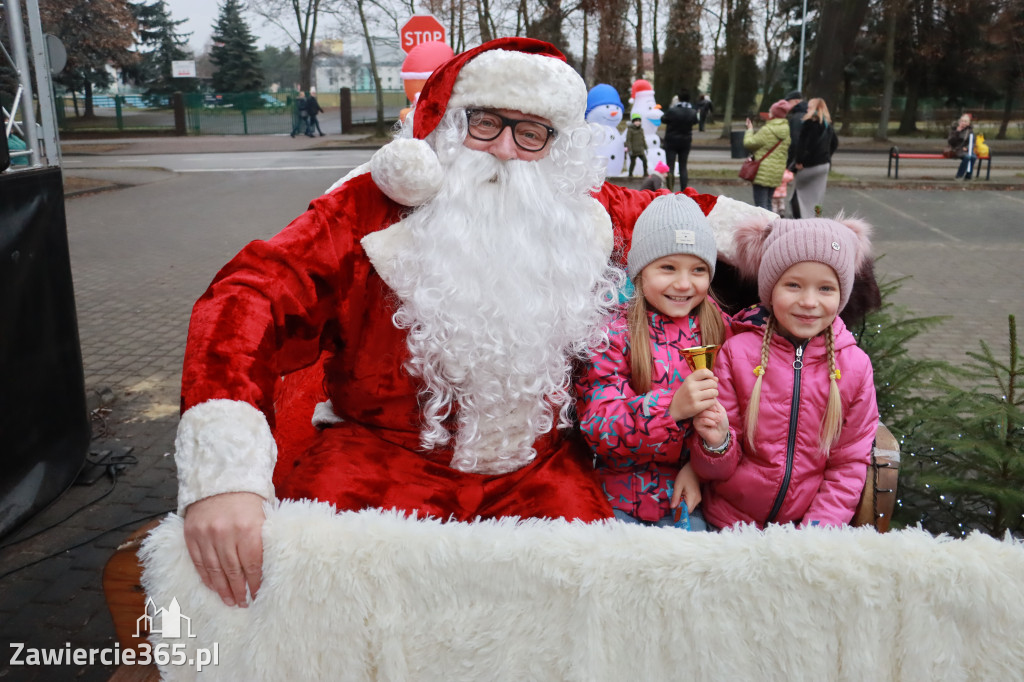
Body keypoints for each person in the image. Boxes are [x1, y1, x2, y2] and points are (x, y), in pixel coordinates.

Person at [175, 37, 756, 609]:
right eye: (485, 123)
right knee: (308, 587)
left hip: (538, 464)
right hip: (381, 455)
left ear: (555, 147)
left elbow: (686, 217)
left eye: (530, 133)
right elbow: (247, 295)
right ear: (450, 127)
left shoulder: (578, 214)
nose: (505, 149)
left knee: (594, 594)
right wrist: (222, 476)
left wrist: (799, 253)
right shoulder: (371, 210)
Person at [688, 216, 879, 530]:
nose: (808, 302)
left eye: (826, 288)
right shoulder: (737, 354)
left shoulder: (855, 368)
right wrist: (716, 443)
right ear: (770, 288)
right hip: (728, 524)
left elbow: (848, 464)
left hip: (806, 533)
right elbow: (715, 469)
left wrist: (815, 534)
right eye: (793, 285)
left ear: (841, 294)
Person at [577, 194, 731, 531]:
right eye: (668, 267)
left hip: (693, 503)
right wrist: (671, 409)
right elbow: (598, 427)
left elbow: (736, 420)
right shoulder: (613, 333)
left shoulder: (720, 330)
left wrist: (701, 464)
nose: (683, 283)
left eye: (698, 269)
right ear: (640, 271)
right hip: (618, 502)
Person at [790, 98, 838, 219]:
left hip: (808, 166)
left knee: (799, 195)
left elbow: (802, 145)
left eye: (809, 106)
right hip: (823, 166)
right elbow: (835, 143)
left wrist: (800, 161)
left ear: (814, 108)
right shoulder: (828, 124)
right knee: (817, 197)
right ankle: (817, 217)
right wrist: (826, 156)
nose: (807, 108)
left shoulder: (809, 123)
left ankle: (802, 220)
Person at [744, 99, 792, 211]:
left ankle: (765, 227)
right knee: (769, 203)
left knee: (761, 206)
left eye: (770, 111)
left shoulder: (768, 130)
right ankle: (773, 226)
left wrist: (749, 130)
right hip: (776, 172)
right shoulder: (786, 130)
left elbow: (749, 143)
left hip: (763, 171)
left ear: (774, 114)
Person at [661, 90, 699, 191]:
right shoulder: (692, 112)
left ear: (679, 98)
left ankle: (670, 190)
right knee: (683, 166)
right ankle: (684, 190)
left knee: (670, 167)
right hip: (685, 142)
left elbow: (663, 119)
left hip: (671, 141)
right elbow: (695, 121)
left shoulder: (673, 110)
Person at [948, 113, 977, 180]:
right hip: (956, 149)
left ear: (968, 123)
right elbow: (951, 141)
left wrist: (967, 147)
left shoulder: (970, 131)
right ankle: (959, 175)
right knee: (967, 157)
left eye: (965, 121)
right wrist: (957, 132)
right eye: (962, 121)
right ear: (959, 122)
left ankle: (968, 175)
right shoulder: (954, 129)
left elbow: (973, 142)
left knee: (973, 157)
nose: (963, 123)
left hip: (966, 149)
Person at [784, 89, 806, 170]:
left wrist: (790, 163)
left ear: (796, 101)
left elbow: (795, 141)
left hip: (798, 162)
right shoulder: (810, 114)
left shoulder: (797, 118)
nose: (787, 105)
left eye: (788, 102)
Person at [626, 113, 648, 178]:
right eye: (636, 121)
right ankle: (630, 174)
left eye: (639, 121)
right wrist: (630, 150)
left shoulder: (641, 130)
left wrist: (646, 147)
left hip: (640, 150)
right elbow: (628, 140)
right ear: (633, 122)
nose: (637, 122)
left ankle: (645, 173)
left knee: (645, 161)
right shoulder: (630, 130)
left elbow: (643, 139)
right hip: (633, 150)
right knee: (633, 163)